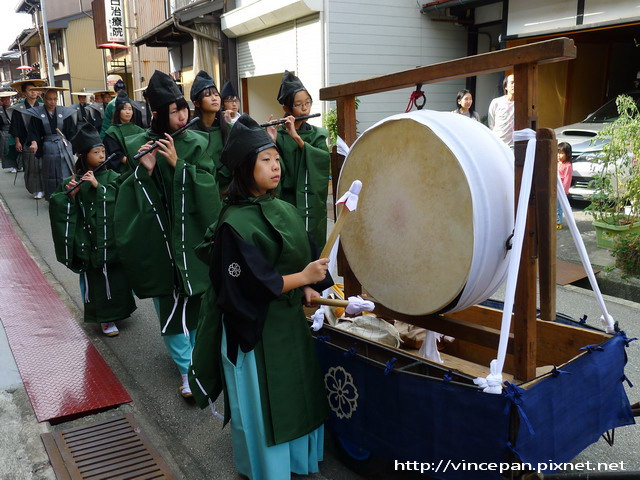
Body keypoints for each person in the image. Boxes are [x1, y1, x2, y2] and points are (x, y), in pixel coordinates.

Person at [190, 114, 331, 480]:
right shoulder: (233, 223)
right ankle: (268, 471)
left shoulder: (282, 208)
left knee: (298, 394)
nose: (275, 166)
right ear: (244, 168)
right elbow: (247, 285)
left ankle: (298, 462)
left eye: (276, 158)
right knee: (265, 406)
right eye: (265, 160)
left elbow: (303, 254)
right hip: (257, 330)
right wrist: (302, 276)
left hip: (289, 325)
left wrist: (308, 286)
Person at [114, 70, 222, 397]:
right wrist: (143, 172)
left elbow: (209, 186)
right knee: (171, 305)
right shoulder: (138, 143)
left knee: (199, 300)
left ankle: (200, 359)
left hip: (191, 237)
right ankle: (187, 370)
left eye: (184, 109)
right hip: (160, 238)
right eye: (175, 111)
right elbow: (126, 194)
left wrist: (179, 166)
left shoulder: (196, 141)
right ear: (159, 115)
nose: (183, 116)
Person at [49, 123, 136, 336]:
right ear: (82, 155)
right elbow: (59, 204)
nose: (101, 156)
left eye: (103, 151)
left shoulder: (112, 177)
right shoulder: (73, 180)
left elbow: (122, 199)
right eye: (95, 152)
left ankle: (121, 310)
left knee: (116, 276)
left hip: (110, 238)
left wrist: (99, 187)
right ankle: (104, 320)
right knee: (95, 278)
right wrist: (71, 197)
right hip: (88, 240)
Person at [269, 70, 330, 249]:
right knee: (291, 244)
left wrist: (297, 138)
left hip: (311, 199)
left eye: (308, 103)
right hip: (288, 200)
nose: (305, 108)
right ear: (286, 109)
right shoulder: (279, 134)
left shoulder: (317, 134)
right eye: (298, 104)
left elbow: (323, 160)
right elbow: (275, 167)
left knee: (314, 245)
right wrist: (271, 141)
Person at [25, 87, 77, 200]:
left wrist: (76, 146)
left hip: (63, 145)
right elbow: (33, 131)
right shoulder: (37, 113)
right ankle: (52, 197)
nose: (52, 102)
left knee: (65, 171)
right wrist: (34, 143)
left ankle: (67, 194)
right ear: (43, 99)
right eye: (49, 99)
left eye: (54, 99)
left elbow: (72, 131)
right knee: (50, 173)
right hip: (48, 146)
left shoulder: (64, 112)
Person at [189, 70, 229, 193]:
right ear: (196, 103)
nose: (214, 98)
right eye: (208, 95)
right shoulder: (190, 134)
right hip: (203, 192)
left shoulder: (229, 129)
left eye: (216, 94)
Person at [8, 79, 45, 181]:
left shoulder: (43, 106)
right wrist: (17, 141)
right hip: (26, 140)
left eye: (35, 90)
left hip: (42, 139)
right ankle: (35, 189)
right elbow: (15, 126)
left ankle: (44, 187)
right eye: (30, 90)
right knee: (31, 166)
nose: (33, 92)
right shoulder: (19, 108)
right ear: (24, 93)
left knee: (44, 165)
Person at [103, 90, 145, 173]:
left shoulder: (139, 130)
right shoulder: (112, 132)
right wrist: (131, 164)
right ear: (118, 111)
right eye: (124, 109)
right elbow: (114, 155)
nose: (128, 112)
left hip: (140, 167)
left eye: (130, 109)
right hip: (122, 171)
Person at [487, 74, 515, 146]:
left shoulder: (521, 104)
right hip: (498, 144)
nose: (514, 85)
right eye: (512, 82)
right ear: (505, 86)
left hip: (514, 145)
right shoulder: (496, 102)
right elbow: (491, 124)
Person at [0, 90, 19, 172]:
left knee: (16, 149)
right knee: (7, 150)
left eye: (8, 99)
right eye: (5, 100)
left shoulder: (14, 109)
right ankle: (13, 165)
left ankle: (19, 165)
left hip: (14, 130)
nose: (7, 101)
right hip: (4, 132)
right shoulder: (0, 110)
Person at [557, 141, 573, 230]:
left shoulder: (568, 166)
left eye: (561, 153)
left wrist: (564, 191)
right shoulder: (556, 163)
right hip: (554, 189)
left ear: (567, 154)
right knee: (554, 206)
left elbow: (567, 180)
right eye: (558, 153)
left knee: (559, 207)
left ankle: (558, 222)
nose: (559, 155)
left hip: (561, 190)